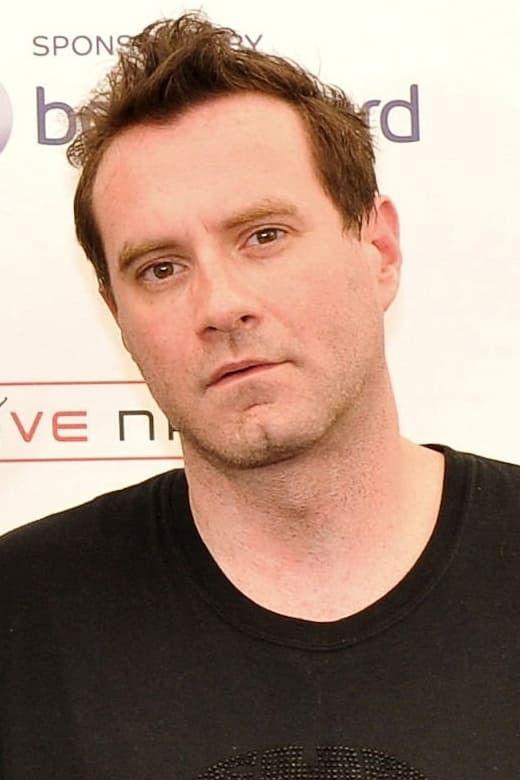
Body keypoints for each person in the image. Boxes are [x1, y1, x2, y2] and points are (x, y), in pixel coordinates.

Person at [1, 13, 517, 780]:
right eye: (161, 269)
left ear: (378, 250)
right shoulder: (21, 618)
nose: (221, 304)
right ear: (118, 316)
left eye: (264, 236)